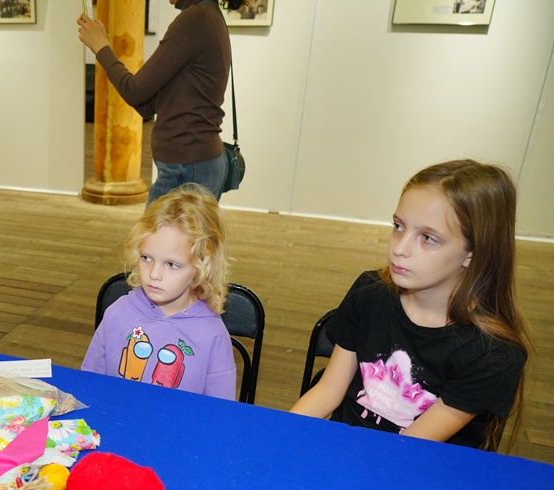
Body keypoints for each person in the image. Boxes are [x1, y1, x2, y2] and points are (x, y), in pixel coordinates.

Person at [290, 160, 529, 451]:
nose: (399, 248)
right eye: (398, 226)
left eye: (428, 238)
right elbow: (329, 391)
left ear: (473, 252)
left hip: (412, 470)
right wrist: (281, 437)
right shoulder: (370, 292)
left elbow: (410, 448)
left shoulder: (492, 354)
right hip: (345, 451)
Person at [77, 1, 245, 205]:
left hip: (186, 167)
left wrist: (101, 46)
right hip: (196, 163)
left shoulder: (195, 19)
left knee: (153, 237)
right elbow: (147, 103)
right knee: (189, 237)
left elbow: (135, 91)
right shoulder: (208, 16)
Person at [82, 183, 236, 400]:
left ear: (201, 266)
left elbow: (220, 412)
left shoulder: (213, 334)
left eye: (172, 264)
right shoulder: (117, 313)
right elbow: (90, 383)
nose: (154, 274)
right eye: (146, 258)